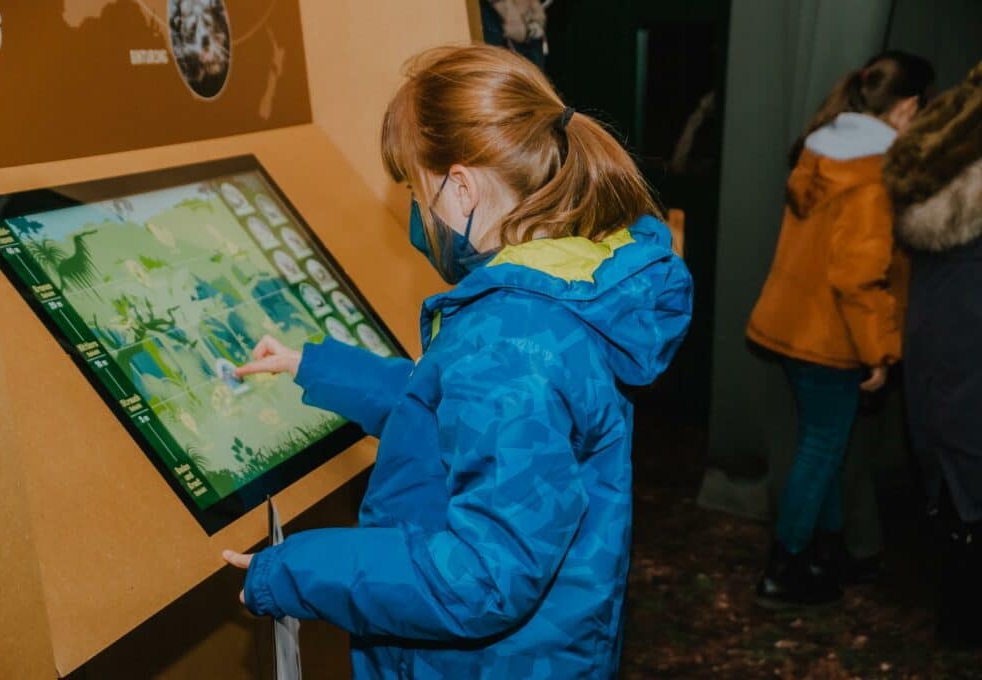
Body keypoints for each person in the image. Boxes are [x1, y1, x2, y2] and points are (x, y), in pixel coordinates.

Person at [222, 45, 692, 677]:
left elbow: (480, 580)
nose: (419, 213)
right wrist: (317, 367)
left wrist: (298, 570)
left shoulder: (510, 339)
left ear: (463, 186)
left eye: (418, 190)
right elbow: (452, 409)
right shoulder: (560, 286)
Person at [746, 51, 934, 609]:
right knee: (823, 449)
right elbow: (858, 277)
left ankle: (824, 552)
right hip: (830, 337)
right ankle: (784, 570)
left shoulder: (821, 148)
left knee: (823, 445)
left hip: (790, 326)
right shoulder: (872, 173)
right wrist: (880, 352)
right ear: (908, 109)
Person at [884, 60, 982, 647]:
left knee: (955, 481)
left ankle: (960, 617)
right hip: (968, 342)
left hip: (937, 343)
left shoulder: (940, 161)